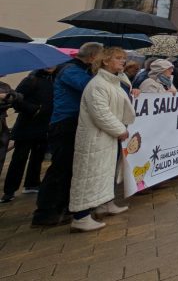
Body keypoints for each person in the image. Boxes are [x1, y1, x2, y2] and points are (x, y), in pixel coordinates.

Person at [31, 42, 102, 227]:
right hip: (65, 124)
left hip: (78, 122)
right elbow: (90, 88)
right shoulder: (70, 70)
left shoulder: (80, 70)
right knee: (60, 168)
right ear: (93, 56)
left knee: (72, 168)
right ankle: (45, 212)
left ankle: (64, 207)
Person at [68, 47, 135, 232]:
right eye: (119, 58)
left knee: (106, 171)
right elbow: (101, 113)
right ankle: (81, 217)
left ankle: (105, 203)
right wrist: (120, 129)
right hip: (97, 137)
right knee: (90, 173)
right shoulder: (97, 84)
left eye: (124, 58)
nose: (123, 61)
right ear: (105, 61)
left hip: (108, 136)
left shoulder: (116, 81)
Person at [1, 67, 53, 203]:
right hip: (27, 126)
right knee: (19, 158)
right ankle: (9, 191)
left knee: (38, 156)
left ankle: (32, 183)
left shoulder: (54, 80)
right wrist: (34, 109)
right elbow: (16, 100)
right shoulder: (30, 80)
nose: (51, 67)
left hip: (44, 125)